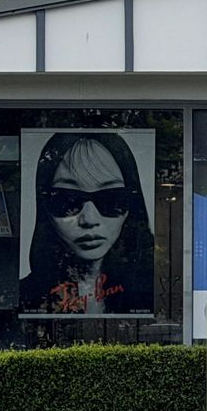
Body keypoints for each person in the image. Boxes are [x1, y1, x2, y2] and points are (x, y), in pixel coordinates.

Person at [20, 131, 154, 315]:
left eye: (111, 200)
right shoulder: (27, 298)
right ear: (45, 208)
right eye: (67, 201)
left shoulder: (153, 293)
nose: (89, 220)